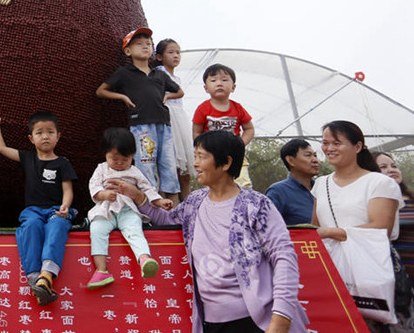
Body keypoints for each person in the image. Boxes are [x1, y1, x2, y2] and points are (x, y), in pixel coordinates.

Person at [123, 130, 307, 332]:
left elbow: (283, 255)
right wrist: (139, 197)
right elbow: (167, 219)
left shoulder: (256, 204)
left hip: (255, 321)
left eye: (201, 156)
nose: (195, 164)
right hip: (211, 321)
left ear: (226, 163)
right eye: (195, 156)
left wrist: (281, 316)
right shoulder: (194, 202)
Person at [312, 120, 407, 330]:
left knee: (376, 323)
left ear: (357, 146)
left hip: (371, 268)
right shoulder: (321, 184)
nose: (329, 148)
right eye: (325, 143)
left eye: (336, 142)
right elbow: (314, 228)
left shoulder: (379, 183)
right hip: (332, 271)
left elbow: (381, 228)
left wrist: (331, 232)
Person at [0, 112, 77, 306]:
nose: (45, 136)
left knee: (57, 226)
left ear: (58, 136)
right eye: (39, 133)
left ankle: (46, 275)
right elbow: (1, 148)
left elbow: (68, 190)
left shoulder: (63, 162)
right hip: (33, 210)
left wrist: (65, 206)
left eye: (50, 132)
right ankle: (36, 279)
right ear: (31, 138)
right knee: (30, 227)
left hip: (56, 209)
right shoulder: (28, 158)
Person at [96, 28, 183, 204]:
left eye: (148, 44)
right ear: (128, 51)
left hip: (163, 124)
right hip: (141, 126)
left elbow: (179, 91)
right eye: (139, 44)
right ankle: (151, 212)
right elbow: (101, 91)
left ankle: (174, 213)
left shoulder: (159, 74)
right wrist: (122, 96)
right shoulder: (124, 73)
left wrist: (168, 96)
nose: (145, 46)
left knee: (169, 166)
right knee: (146, 167)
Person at [86, 128, 172, 289]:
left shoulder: (135, 171)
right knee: (97, 230)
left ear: (132, 156)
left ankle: (145, 259)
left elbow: (148, 188)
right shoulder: (102, 169)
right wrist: (104, 194)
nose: (119, 163)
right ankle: (101, 270)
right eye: (114, 159)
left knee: (134, 231)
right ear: (105, 154)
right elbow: (94, 186)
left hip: (128, 210)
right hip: (106, 210)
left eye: (125, 159)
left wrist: (159, 201)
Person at [192, 63, 255, 189]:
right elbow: (196, 133)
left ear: (233, 87)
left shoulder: (238, 108)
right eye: (213, 80)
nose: (219, 83)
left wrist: (239, 144)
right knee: (213, 183)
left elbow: (249, 129)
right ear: (206, 88)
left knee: (243, 183)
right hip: (211, 156)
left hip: (235, 155)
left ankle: (243, 206)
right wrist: (203, 151)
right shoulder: (202, 109)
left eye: (225, 80)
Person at [155, 38, 195, 200]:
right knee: (168, 167)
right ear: (159, 56)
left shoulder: (176, 78)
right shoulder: (158, 73)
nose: (176, 56)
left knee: (184, 170)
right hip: (167, 118)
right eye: (171, 52)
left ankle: (188, 206)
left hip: (180, 120)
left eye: (178, 52)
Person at [374, 151, 414, 285]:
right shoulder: (374, 204)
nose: (391, 170)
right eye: (383, 167)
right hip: (400, 277)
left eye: (394, 166)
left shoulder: (411, 199)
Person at [265, 139, 319, 225]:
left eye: (315, 155)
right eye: (308, 155)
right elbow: (267, 227)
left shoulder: (323, 188)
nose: (315, 160)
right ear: (290, 160)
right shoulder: (278, 191)